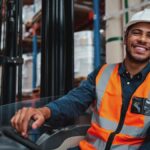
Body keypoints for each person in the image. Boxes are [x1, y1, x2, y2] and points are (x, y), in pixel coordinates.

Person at [11, 8, 150, 150]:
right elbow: (74, 101)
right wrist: (43, 112)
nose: (143, 39)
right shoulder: (103, 73)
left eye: (149, 35)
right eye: (136, 32)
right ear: (126, 37)